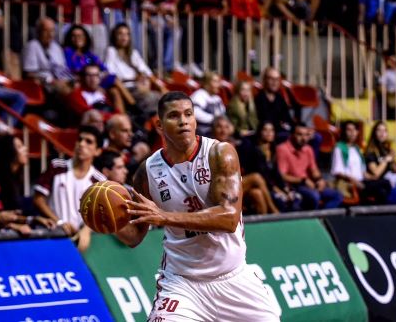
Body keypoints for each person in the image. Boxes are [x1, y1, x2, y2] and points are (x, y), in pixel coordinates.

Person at [114, 92, 281, 321]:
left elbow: (228, 218)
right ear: (159, 125)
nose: (183, 121)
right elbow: (133, 236)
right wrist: (108, 220)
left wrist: (164, 217)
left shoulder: (220, 153)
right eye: (174, 116)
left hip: (234, 279)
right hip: (182, 283)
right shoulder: (147, 172)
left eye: (188, 114)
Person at [33, 126, 105, 252]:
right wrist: (59, 222)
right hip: (53, 235)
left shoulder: (99, 181)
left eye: (88, 142)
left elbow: (100, 214)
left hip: (80, 242)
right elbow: (38, 199)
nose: (82, 144)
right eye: (80, 140)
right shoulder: (56, 166)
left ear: (98, 151)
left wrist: (87, 230)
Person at [276, 122, 343, 210]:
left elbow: (314, 169)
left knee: (337, 196)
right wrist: (303, 181)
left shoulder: (308, 149)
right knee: (314, 197)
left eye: (306, 135)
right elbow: (282, 176)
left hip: (308, 183)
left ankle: (321, 217)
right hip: (294, 185)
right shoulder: (282, 149)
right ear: (292, 135)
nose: (303, 138)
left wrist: (319, 180)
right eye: (300, 135)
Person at [190, 71, 226, 136]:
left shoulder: (217, 98)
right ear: (206, 83)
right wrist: (216, 120)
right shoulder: (199, 95)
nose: (219, 85)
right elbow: (195, 113)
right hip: (203, 132)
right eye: (215, 82)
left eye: (218, 82)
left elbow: (223, 115)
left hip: (217, 131)